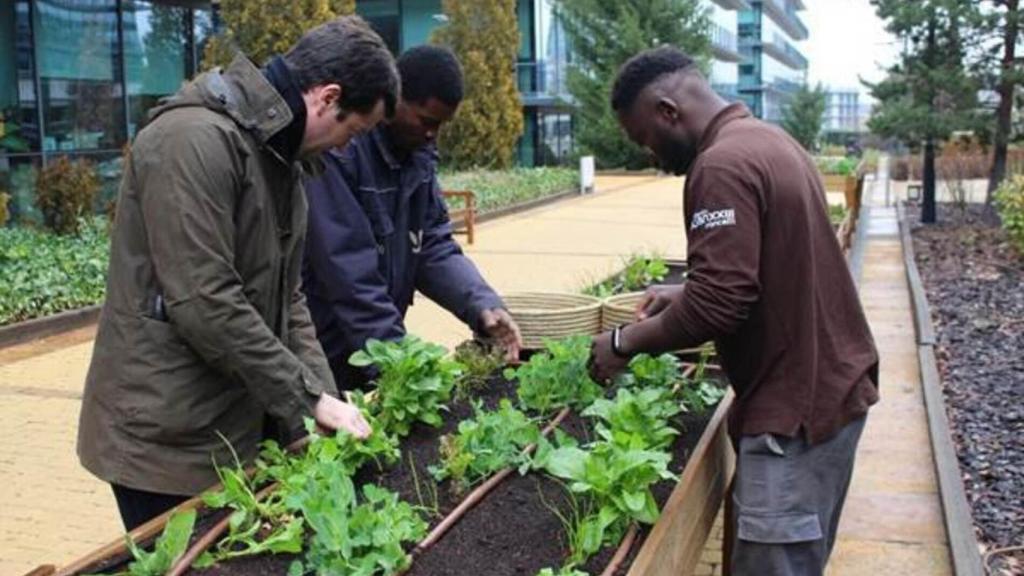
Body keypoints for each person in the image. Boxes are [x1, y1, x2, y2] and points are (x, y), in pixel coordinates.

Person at [77, 16, 399, 531]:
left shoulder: (280, 158)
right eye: (352, 131)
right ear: (326, 97)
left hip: (229, 424)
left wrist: (324, 401)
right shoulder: (191, 141)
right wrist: (307, 398)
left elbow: (288, 301)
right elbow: (205, 301)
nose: (346, 149)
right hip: (165, 442)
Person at [588, 46, 880, 576]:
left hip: (794, 420)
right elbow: (778, 269)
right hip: (829, 396)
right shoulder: (768, 140)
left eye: (643, 139)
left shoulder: (719, 165)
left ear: (667, 112)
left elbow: (720, 305)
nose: (649, 155)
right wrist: (683, 293)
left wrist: (620, 344)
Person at [303, 45, 521, 389]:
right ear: (395, 99)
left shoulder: (417, 155)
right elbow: (348, 271)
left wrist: (480, 304)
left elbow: (433, 243)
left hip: (372, 344)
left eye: (442, 125)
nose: (433, 134)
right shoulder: (341, 149)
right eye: (426, 120)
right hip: (320, 349)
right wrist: (404, 368)